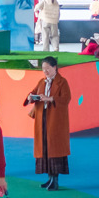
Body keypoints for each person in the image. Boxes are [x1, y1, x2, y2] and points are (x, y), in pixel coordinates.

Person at [25, 56, 71, 190]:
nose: (45, 71)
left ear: (55, 67)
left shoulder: (62, 82)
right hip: (42, 118)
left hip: (56, 120)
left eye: (48, 68)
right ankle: (50, 178)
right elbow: (34, 92)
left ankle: (55, 180)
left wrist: (50, 99)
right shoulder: (41, 81)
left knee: (54, 149)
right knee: (44, 147)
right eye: (43, 68)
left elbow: (66, 98)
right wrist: (30, 96)